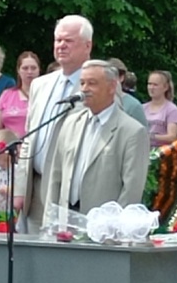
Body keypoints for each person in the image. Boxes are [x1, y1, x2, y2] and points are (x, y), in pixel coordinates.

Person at [42, 60, 150, 224]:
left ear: (112, 87)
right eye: (82, 83)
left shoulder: (132, 131)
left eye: (92, 83)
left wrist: (114, 230)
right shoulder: (70, 123)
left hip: (103, 229)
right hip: (64, 224)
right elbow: (56, 176)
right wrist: (50, 220)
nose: (84, 89)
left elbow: (131, 191)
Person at [15, 15, 93, 228]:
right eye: (58, 40)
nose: (61, 46)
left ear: (88, 46)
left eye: (68, 41)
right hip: (36, 187)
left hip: (71, 192)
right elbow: (29, 137)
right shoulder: (40, 85)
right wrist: (21, 189)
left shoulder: (97, 87)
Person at [0, 51, 40, 140]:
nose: (29, 72)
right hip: (10, 148)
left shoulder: (45, 94)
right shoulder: (7, 94)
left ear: (39, 70)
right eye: (25, 68)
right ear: (18, 70)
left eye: (33, 68)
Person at [143, 70, 177, 147]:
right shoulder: (142, 108)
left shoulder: (171, 109)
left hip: (160, 154)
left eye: (155, 85)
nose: (151, 88)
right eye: (149, 84)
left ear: (165, 87)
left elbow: (172, 137)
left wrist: (151, 137)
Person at [106, 57, 147, 128]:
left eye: (112, 76)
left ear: (121, 77)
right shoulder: (97, 101)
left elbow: (143, 134)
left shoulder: (133, 105)